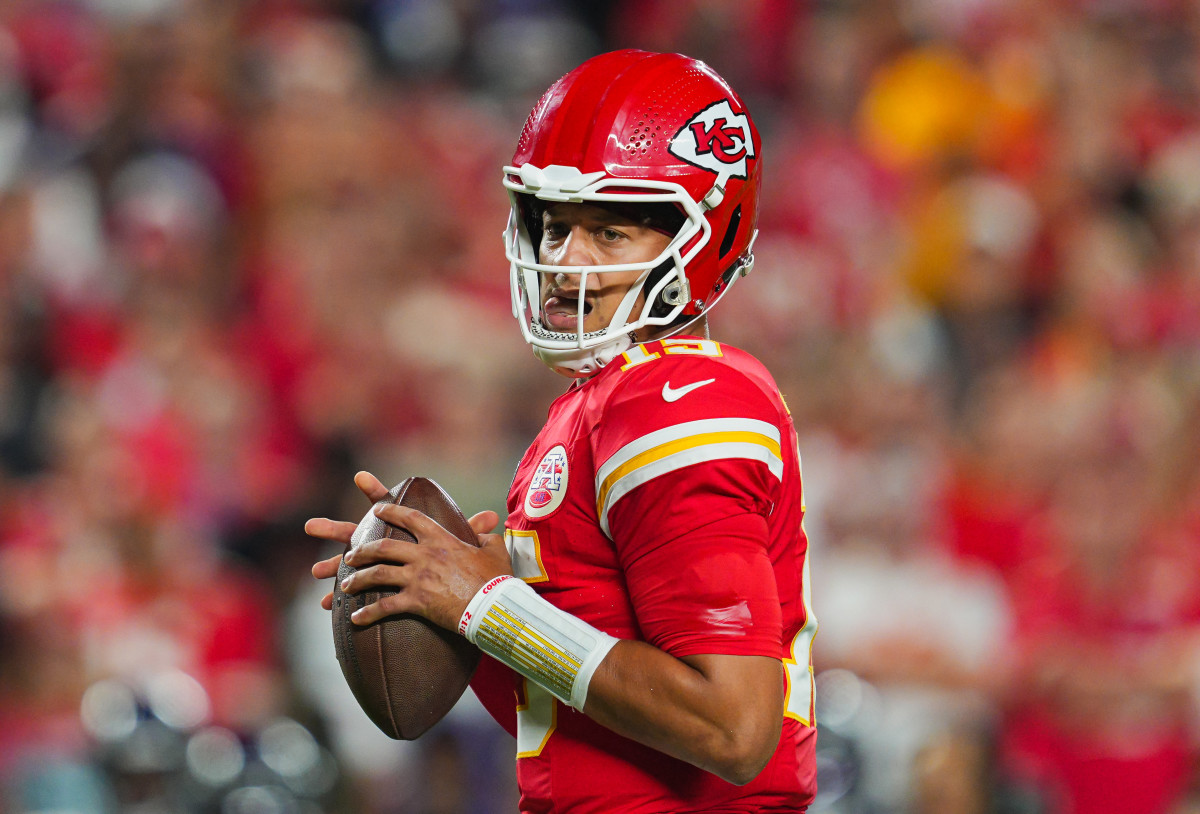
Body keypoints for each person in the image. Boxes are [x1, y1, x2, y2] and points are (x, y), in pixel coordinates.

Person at [307, 49, 818, 813]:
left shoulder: (680, 396)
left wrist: (490, 604)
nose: (561, 259)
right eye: (553, 225)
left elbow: (731, 728)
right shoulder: (600, 403)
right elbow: (586, 727)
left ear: (703, 239)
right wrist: (450, 606)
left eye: (610, 233)